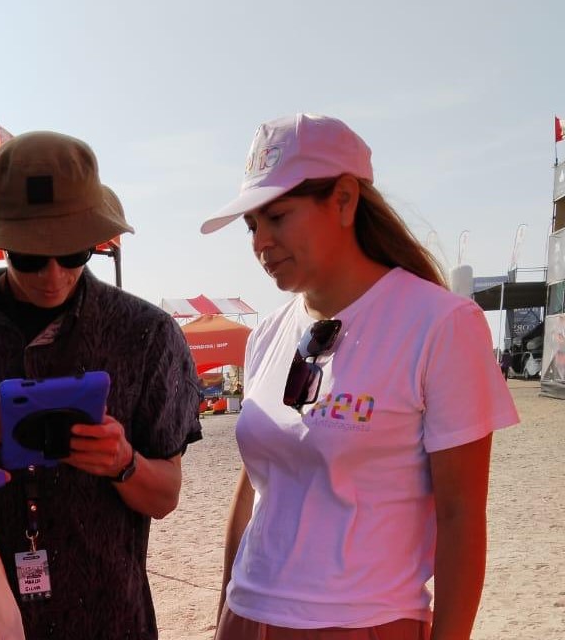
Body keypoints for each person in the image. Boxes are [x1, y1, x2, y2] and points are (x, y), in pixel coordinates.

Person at [200, 114, 519, 640]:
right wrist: (224, 615)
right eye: (252, 226)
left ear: (344, 200)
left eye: (277, 217)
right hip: (247, 617)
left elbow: (462, 516)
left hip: (364, 621)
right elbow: (254, 491)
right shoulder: (269, 335)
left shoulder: (438, 324)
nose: (261, 243)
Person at [0, 131, 203, 639]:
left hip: (109, 621)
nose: (53, 276)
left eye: (74, 253)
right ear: (0, 244)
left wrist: (123, 463)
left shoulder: (146, 334)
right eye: (29, 257)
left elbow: (164, 497)